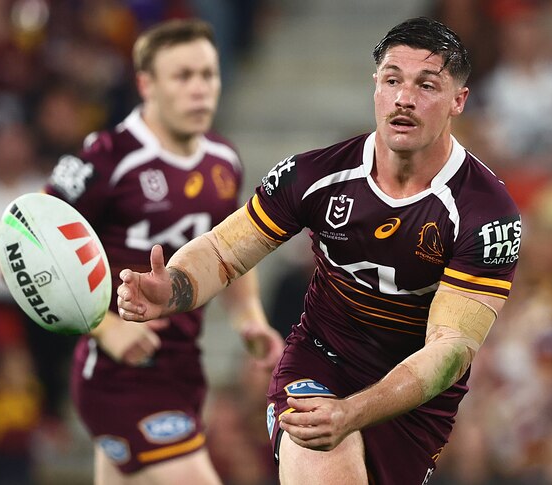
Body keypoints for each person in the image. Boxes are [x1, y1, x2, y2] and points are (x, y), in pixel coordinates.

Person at [117, 17, 521, 484]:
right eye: (392, 80)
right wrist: (176, 286)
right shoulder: (314, 176)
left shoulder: (486, 213)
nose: (404, 98)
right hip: (318, 364)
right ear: (376, 86)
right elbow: (224, 250)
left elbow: (449, 353)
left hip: (413, 402)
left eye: (426, 85)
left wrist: (353, 412)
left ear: (458, 101)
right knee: (320, 457)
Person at [44, 19, 284, 484]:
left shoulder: (224, 160)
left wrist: (250, 319)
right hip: (117, 374)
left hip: (182, 368)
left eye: (208, 75)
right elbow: (29, 245)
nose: (200, 90)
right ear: (146, 84)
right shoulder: (107, 156)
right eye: (183, 76)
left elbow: (230, 253)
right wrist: (105, 324)